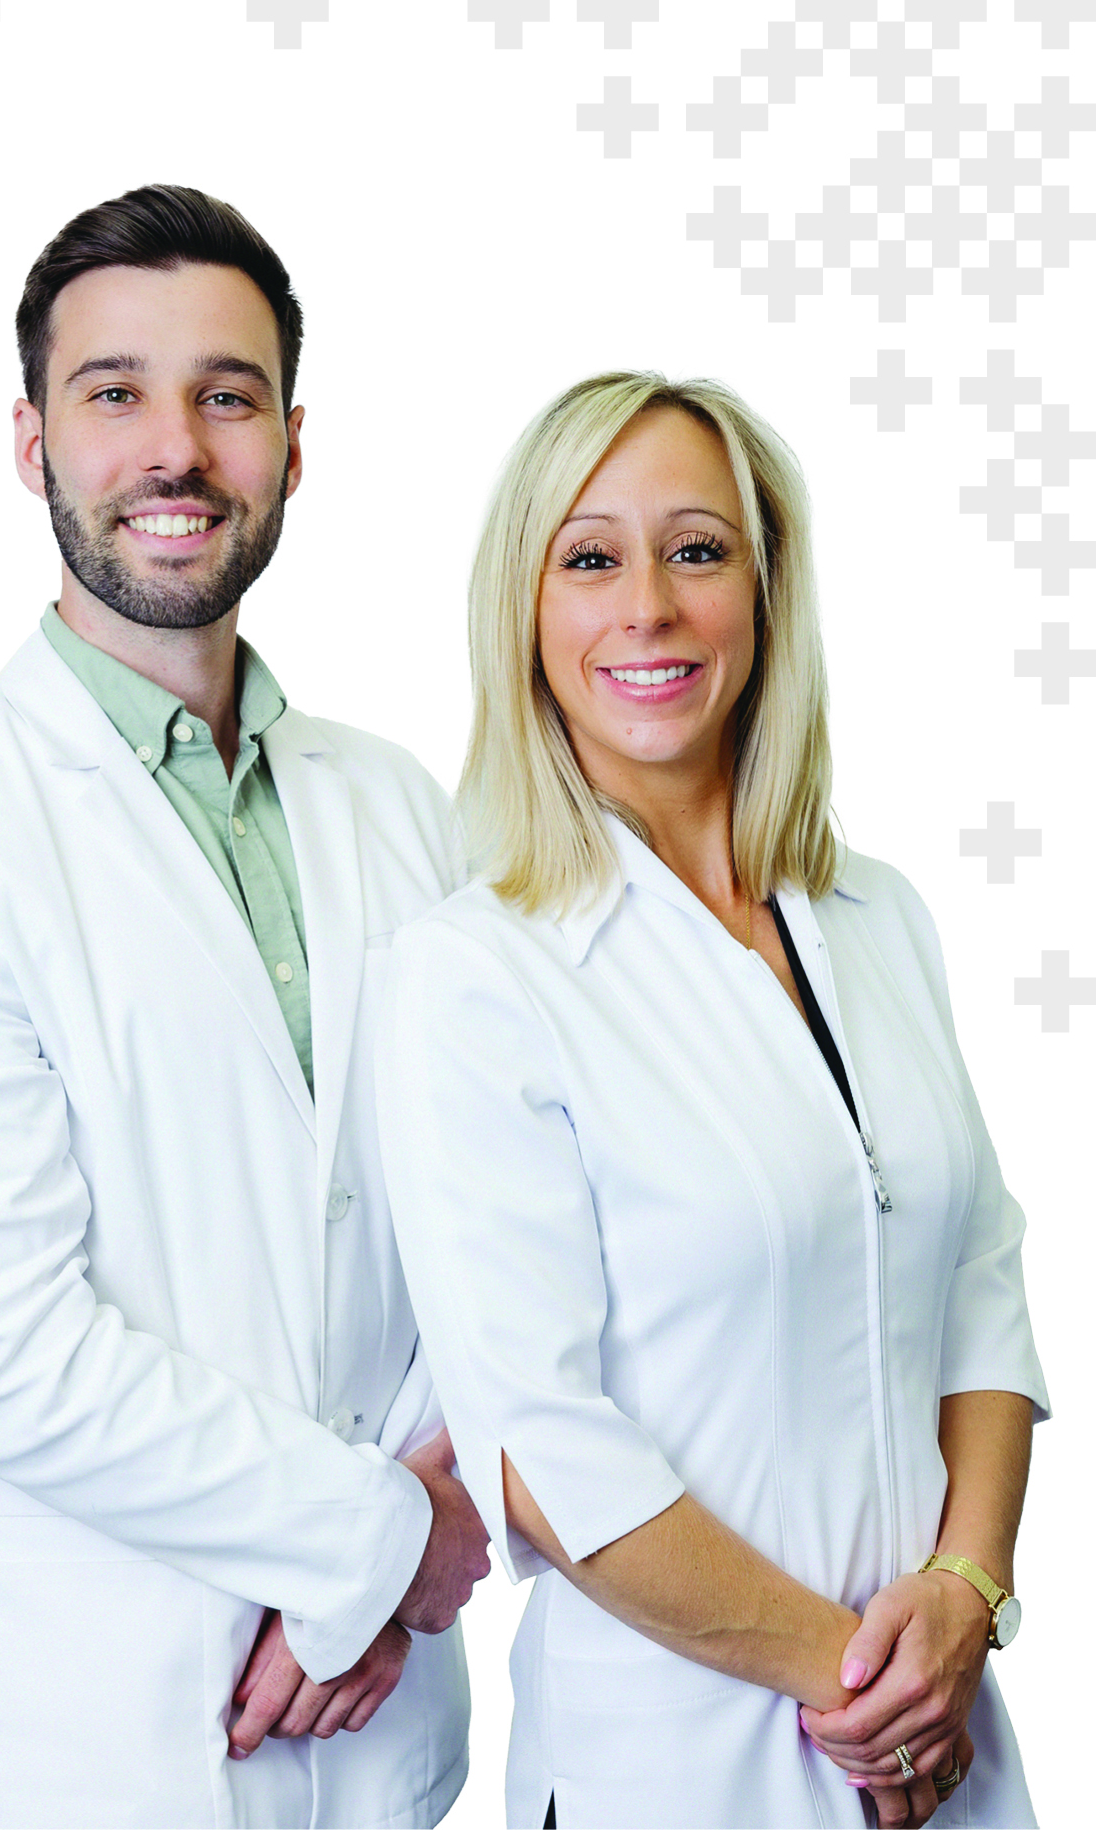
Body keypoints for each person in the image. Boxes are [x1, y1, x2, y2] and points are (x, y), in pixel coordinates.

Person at [0, 184, 490, 1830]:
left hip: (389, 1752)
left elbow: (499, 1222)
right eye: (114, 392)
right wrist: (377, 1544)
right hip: (87, 1762)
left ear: (294, 449)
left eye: (226, 395)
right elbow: (3, 1347)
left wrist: (410, 1543)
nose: (175, 449)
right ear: (30, 441)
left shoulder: (400, 805)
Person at [377, 372, 1048, 1830]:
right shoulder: (474, 976)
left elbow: (981, 1288)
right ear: (524, 612)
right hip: (685, 1768)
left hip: (944, 1746)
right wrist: (868, 1692)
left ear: (765, 586)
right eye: (590, 558)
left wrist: (967, 1591)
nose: (650, 608)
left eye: (696, 549)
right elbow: (539, 1448)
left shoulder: (880, 917)